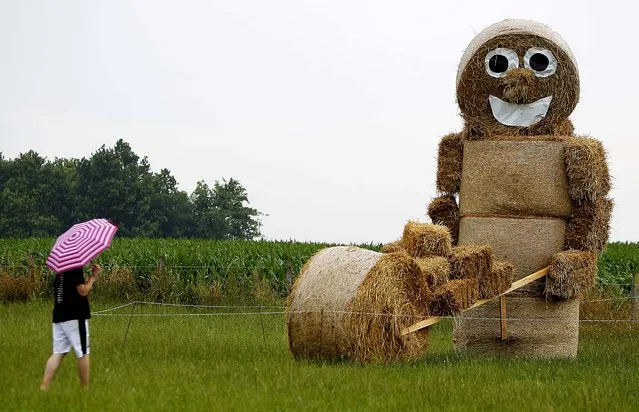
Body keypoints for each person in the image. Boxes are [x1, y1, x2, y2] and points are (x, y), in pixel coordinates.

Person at [40, 264, 101, 390]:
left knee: (58, 353)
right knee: (83, 352)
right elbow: (82, 291)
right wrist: (93, 277)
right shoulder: (75, 267)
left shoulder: (60, 267)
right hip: (75, 315)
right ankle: (85, 389)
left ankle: (44, 387)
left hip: (59, 314)